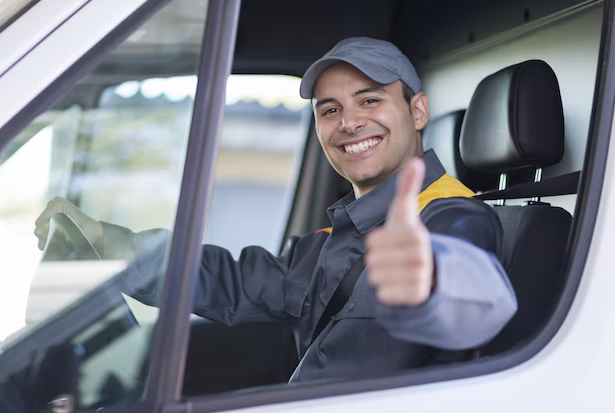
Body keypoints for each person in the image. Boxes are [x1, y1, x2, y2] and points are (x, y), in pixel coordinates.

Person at [34, 37, 517, 382]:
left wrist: (432, 281)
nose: (349, 123)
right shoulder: (339, 236)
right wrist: (112, 242)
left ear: (418, 111)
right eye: (330, 109)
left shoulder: (450, 217)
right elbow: (233, 282)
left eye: (370, 100)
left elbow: (473, 293)